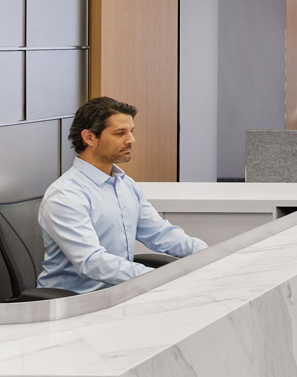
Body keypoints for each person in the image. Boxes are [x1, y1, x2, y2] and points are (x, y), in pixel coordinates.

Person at [38, 97, 208, 293]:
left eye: (131, 131)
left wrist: (211, 255)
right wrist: (159, 279)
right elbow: (92, 262)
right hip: (75, 301)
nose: (131, 140)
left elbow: (160, 233)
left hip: (120, 293)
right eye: (120, 133)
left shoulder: (125, 184)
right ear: (89, 137)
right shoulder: (66, 196)